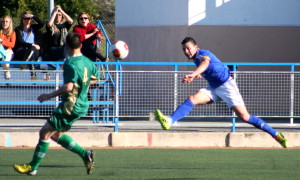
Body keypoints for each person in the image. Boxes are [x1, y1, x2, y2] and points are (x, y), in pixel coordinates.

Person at [154, 37, 288, 148]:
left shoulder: (203, 54)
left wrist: (194, 74)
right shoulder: (196, 59)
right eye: (184, 49)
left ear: (196, 47)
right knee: (192, 99)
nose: (187, 51)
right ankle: (169, 121)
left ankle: (275, 134)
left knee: (245, 117)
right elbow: (209, 68)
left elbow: (205, 63)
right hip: (214, 87)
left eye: (189, 48)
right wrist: (200, 74)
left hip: (227, 86)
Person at [13, 32, 100, 176]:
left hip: (70, 105)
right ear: (81, 45)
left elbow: (69, 87)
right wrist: (83, 84)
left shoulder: (71, 63)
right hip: (82, 104)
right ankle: (85, 154)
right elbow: (95, 79)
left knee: (44, 133)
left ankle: (32, 167)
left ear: (66, 46)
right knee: (55, 134)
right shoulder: (88, 62)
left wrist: (49, 95)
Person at [14, 11, 44, 80]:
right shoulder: (18, 29)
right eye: (25, 18)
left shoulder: (34, 28)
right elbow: (20, 42)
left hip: (33, 50)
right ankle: (33, 75)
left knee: (32, 50)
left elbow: (42, 23)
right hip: (22, 50)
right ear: (22, 19)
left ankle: (24, 63)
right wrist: (31, 44)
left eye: (29, 18)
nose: (27, 20)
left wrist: (33, 16)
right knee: (31, 54)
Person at [0, 15, 16, 81]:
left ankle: (7, 77)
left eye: (7, 21)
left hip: (8, 51)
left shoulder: (12, 33)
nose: (5, 23)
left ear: (10, 23)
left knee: (5, 60)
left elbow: (12, 45)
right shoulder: (0, 32)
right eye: (3, 21)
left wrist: (2, 41)